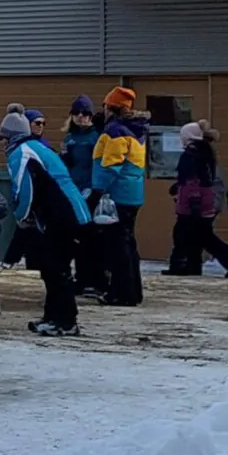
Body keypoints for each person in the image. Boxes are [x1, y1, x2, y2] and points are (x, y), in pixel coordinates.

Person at [0, 108, 89, 337]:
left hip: (63, 215)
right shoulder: (38, 147)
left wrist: (21, 217)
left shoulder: (20, 152)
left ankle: (65, 320)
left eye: (3, 138)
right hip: (71, 210)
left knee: (56, 270)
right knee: (53, 269)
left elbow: (25, 189)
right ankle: (54, 317)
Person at [170, 121, 228, 278]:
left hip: (201, 201)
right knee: (197, 233)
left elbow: (194, 180)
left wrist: (193, 201)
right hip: (207, 200)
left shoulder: (194, 155)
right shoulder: (203, 152)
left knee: (199, 234)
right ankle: (192, 265)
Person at [92, 86, 149, 307]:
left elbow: (110, 165)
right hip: (133, 194)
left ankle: (121, 292)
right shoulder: (135, 130)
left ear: (110, 107)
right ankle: (133, 290)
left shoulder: (115, 131)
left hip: (117, 194)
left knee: (117, 246)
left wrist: (97, 191)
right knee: (128, 243)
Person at [64, 96, 107, 294]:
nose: (81, 117)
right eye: (77, 113)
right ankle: (81, 277)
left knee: (92, 237)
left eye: (86, 114)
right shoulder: (70, 138)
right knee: (77, 237)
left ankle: (96, 278)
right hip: (73, 188)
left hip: (90, 189)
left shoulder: (96, 137)